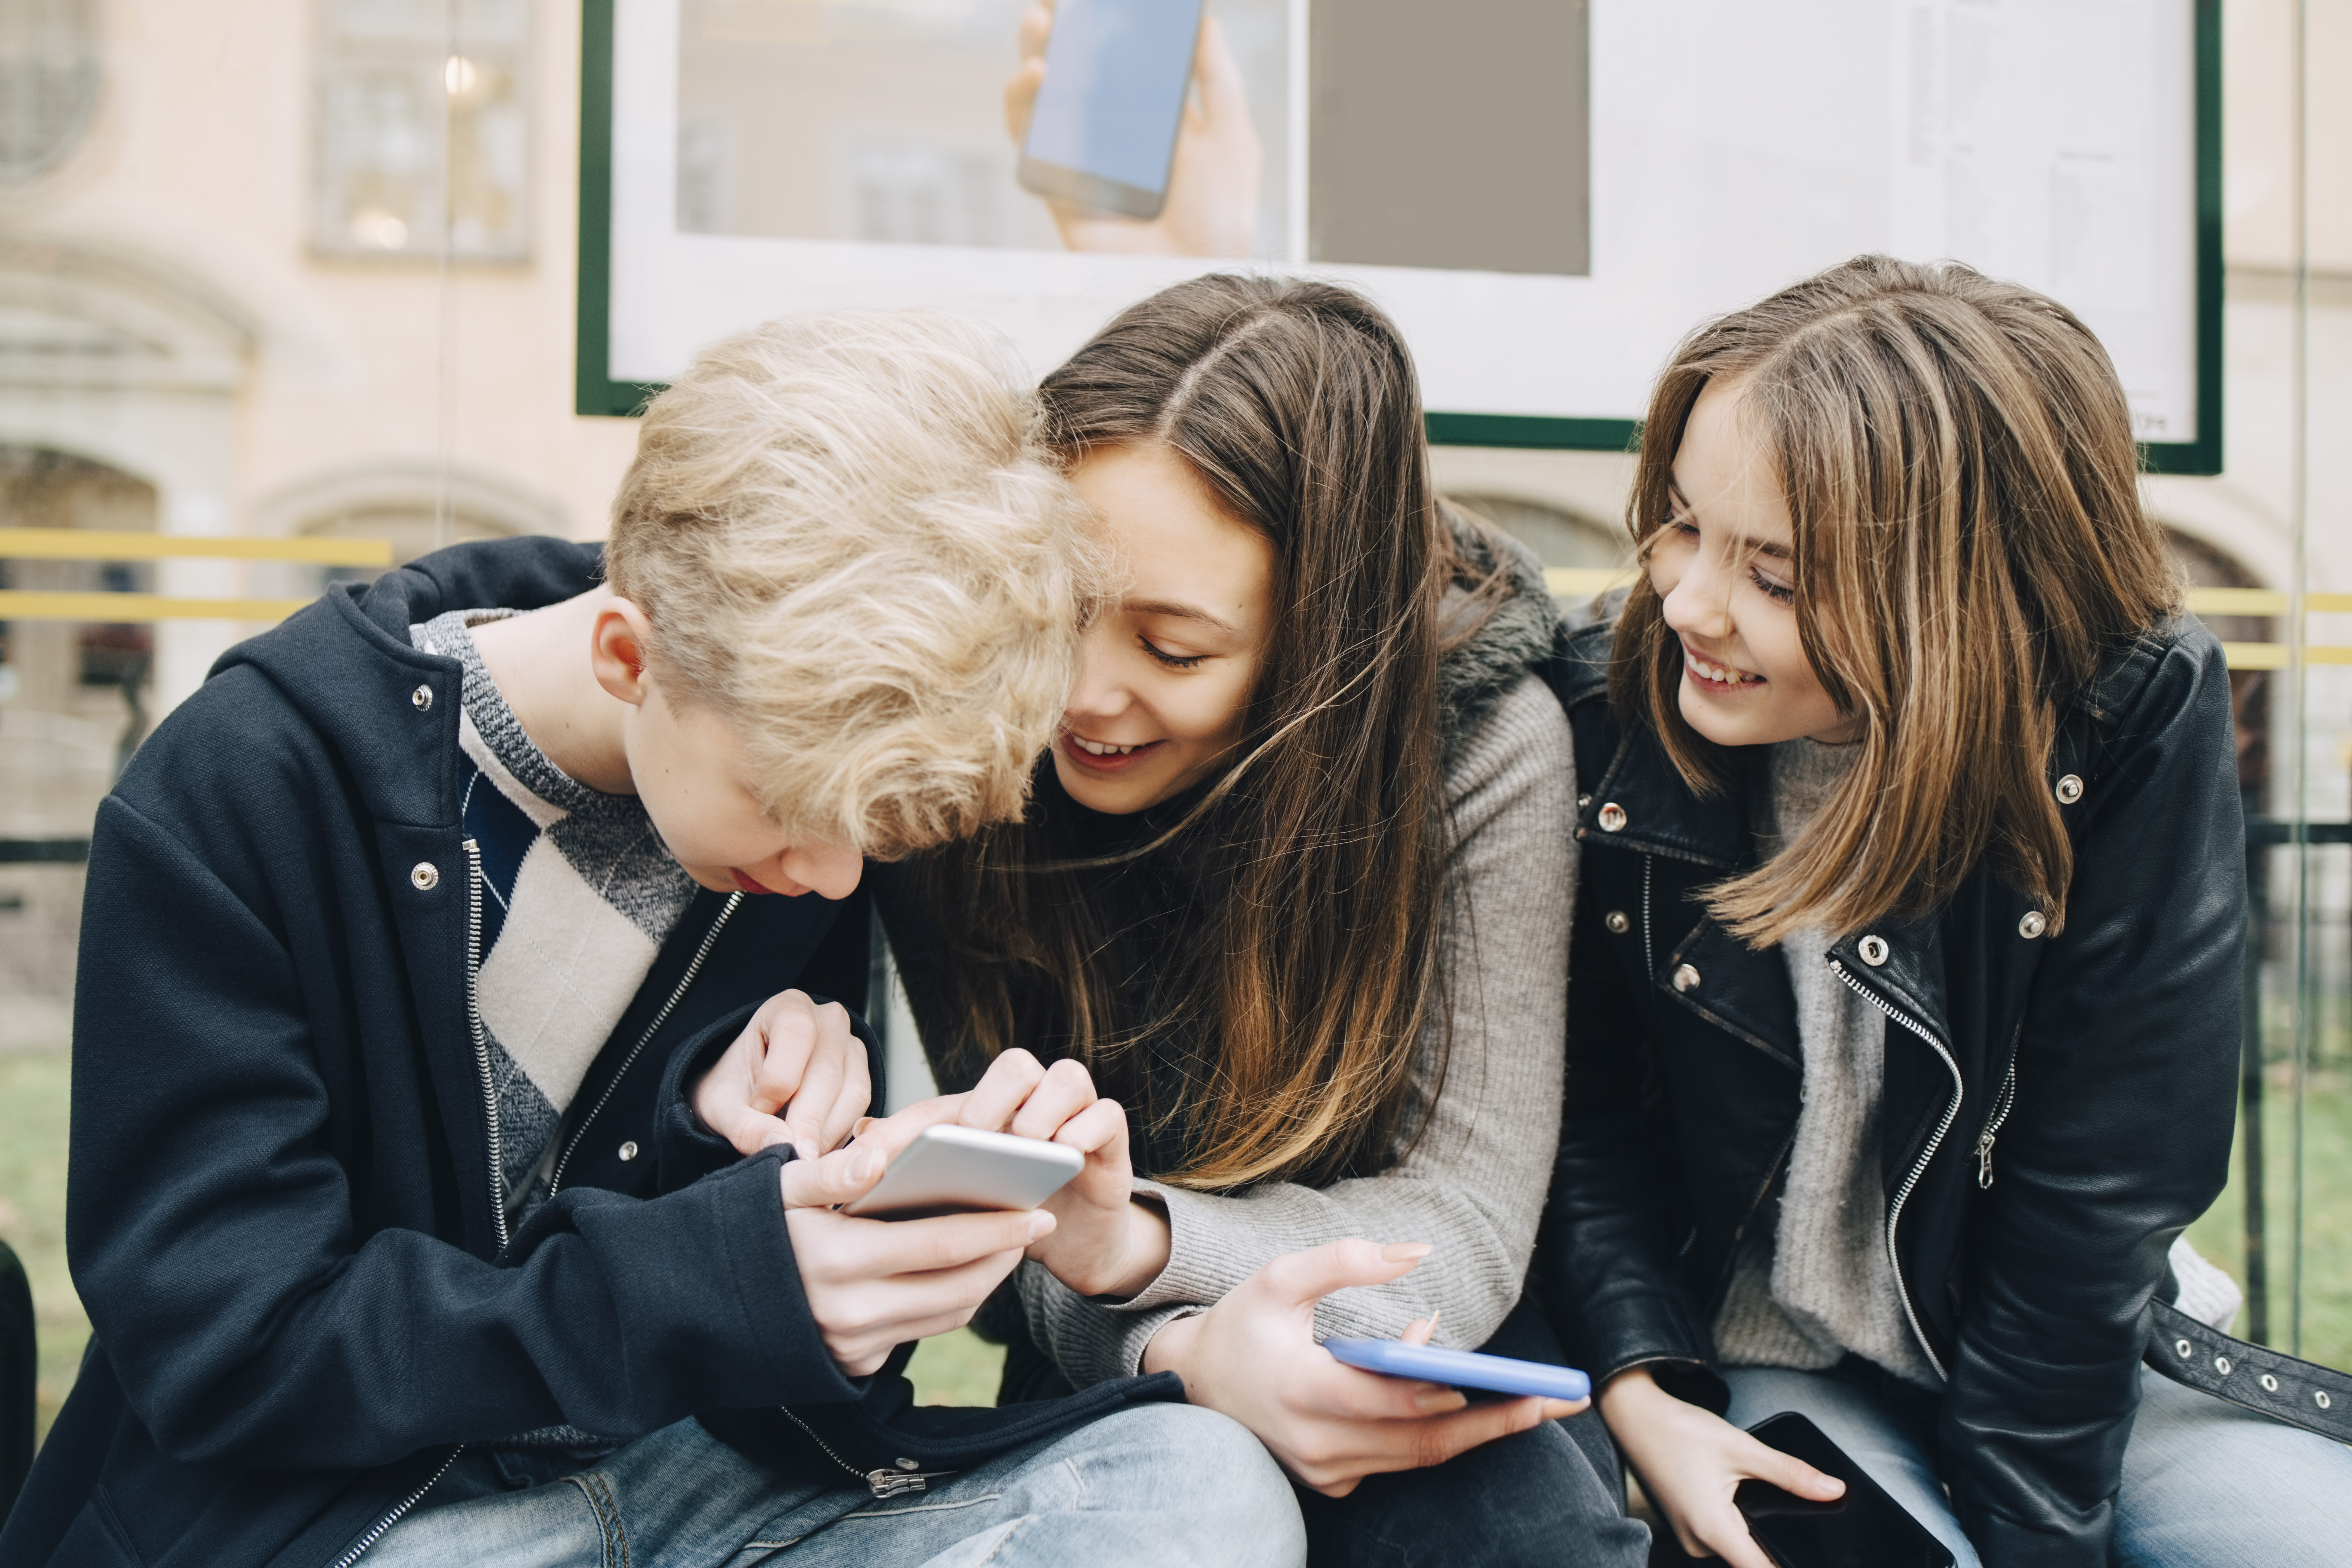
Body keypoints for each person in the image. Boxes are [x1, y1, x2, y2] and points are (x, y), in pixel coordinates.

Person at [0, 312, 1304, 1568]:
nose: (829, 876)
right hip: (364, 1519)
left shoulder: (774, 795)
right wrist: (726, 1275)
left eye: (869, 839)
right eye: (796, 813)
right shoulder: (247, 791)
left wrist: (809, 1199)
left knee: (1202, 1492)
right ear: (631, 653)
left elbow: (703, 1311)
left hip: (702, 1486)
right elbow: (232, 1354)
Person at [1535, 256, 2352, 1568]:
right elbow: (1581, 1123)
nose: (1688, 602)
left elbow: (2102, 1183)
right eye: (1683, 525)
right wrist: (1650, 1389)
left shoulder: (2121, 717)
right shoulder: (1606, 709)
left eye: (1779, 577)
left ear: (1960, 598)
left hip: (2071, 1366)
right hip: (1767, 1356)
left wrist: (2034, 1534)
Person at [866, 275, 1649, 1566]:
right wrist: (1173, 1344)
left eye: (1173, 651)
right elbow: (990, 1212)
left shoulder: (1482, 746)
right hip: (1090, 1352)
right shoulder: (971, 727)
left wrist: (1148, 1250)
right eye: (1058, 607)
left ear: (1321, 647)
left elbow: (1460, 1217)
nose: (1081, 693)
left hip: (1402, 1342)